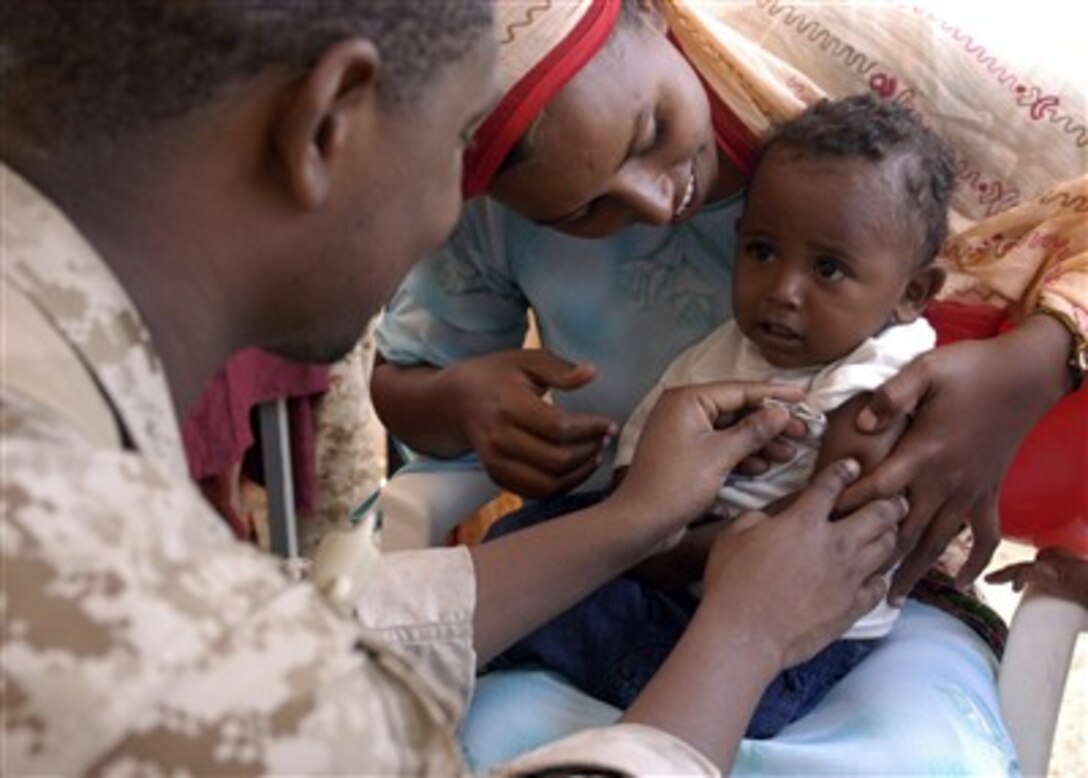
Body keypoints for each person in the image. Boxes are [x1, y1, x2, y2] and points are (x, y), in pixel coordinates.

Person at [0, 2, 902, 774]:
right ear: (328, 128)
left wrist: (632, 523)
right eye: (462, 139)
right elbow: (248, 673)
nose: (456, 208)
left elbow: (283, 636)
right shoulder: (129, 614)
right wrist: (741, 640)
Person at [371, 0, 1084, 770]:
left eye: (650, 132)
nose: (653, 203)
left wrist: (1039, 360)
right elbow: (398, 381)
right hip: (621, 542)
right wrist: (459, 403)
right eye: (581, 211)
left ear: (653, 14)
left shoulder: (849, 62)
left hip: (863, 586)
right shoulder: (487, 208)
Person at [484, 93, 955, 738]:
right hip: (690, 558)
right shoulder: (731, 346)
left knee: (564, 610)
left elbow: (833, 526)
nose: (783, 290)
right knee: (523, 538)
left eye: (827, 268)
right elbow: (643, 471)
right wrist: (640, 521)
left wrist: (669, 550)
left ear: (910, 294)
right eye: (762, 252)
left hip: (801, 621)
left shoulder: (882, 372)